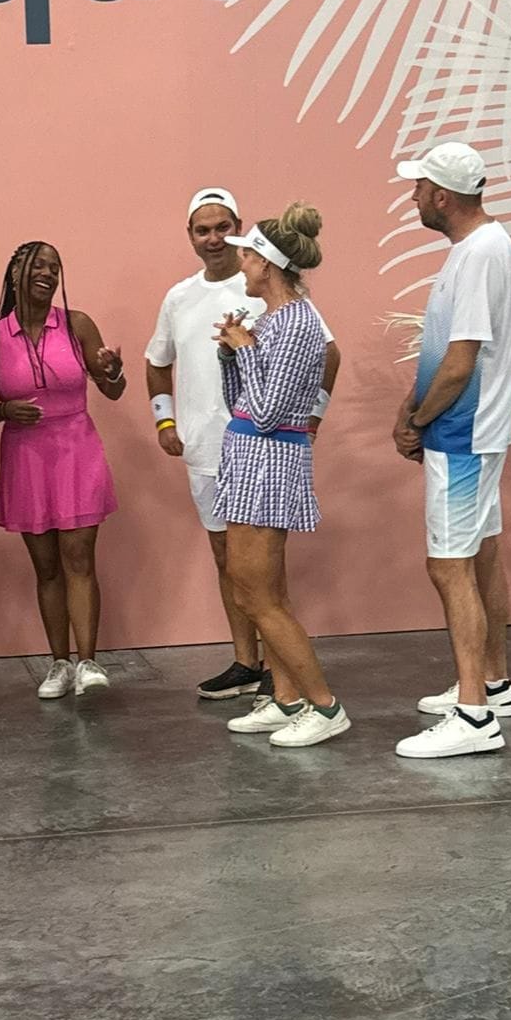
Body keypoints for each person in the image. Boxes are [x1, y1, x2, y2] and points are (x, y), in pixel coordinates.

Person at [146, 187, 341, 700]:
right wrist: (166, 422)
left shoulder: (283, 305)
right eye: (202, 230)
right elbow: (159, 362)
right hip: (216, 449)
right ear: (190, 235)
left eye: (224, 229)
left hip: (264, 453)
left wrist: (311, 418)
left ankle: (297, 688)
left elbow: (306, 373)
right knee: (234, 567)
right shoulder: (181, 297)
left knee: (264, 581)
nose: (215, 240)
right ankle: (251, 666)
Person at [391, 142, 511, 759]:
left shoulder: (478, 255)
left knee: (448, 566)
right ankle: (493, 685)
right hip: (473, 432)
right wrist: (411, 409)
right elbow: (443, 354)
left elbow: (460, 362)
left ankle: (474, 716)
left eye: (419, 187)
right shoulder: (483, 248)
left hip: (461, 435)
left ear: (442, 197)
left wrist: (419, 421)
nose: (414, 196)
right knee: (481, 555)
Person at [215, 205, 351, 748]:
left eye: (246, 257)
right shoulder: (272, 320)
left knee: (258, 595)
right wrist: (231, 356)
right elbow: (242, 403)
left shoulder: (297, 322)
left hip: (269, 462)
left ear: (267, 264)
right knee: (256, 589)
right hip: (249, 458)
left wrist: (245, 351)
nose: (240, 265)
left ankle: (324, 705)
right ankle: (287, 698)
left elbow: (270, 414)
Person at [0, 241, 123, 698]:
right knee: (46, 567)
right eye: (38, 266)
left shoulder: (76, 324)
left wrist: (113, 371)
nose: (47, 274)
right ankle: (59, 664)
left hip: (76, 450)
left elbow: (113, 390)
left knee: (79, 558)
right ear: (14, 273)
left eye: (55, 268)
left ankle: (88, 662)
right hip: (26, 456)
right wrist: (4, 409)